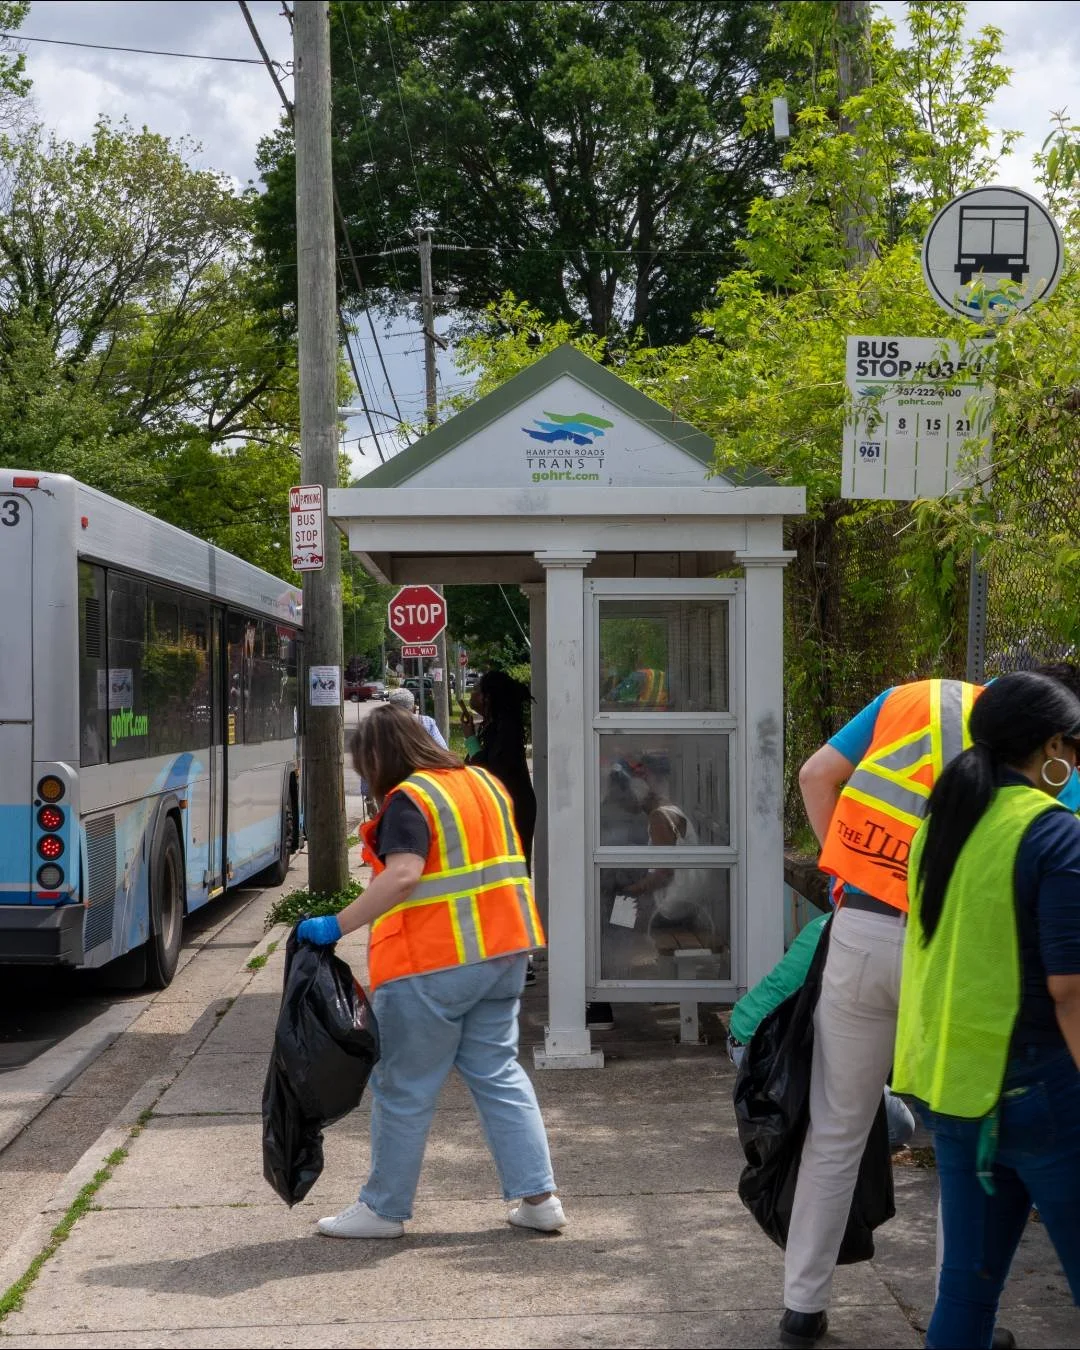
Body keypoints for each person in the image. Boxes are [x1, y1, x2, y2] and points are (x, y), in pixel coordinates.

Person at [295, 705, 563, 1238]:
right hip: (504, 954)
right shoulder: (482, 783)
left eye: (363, 763)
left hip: (433, 963)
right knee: (498, 1075)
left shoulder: (409, 800)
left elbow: (403, 875)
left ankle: (383, 1209)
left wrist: (336, 924)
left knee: (404, 1087)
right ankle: (539, 1199)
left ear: (377, 756)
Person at [779, 677, 983, 1349]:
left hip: (862, 929)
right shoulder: (1041, 746)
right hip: (954, 947)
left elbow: (815, 775)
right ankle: (965, 1315)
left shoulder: (910, 699)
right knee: (955, 1134)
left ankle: (802, 1306)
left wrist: (845, 868)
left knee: (836, 1126)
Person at [894, 672, 1080, 1350]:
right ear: (1054, 745)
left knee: (967, 1294)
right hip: (1048, 1094)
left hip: (960, 1093)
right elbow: (1071, 991)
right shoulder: (1056, 835)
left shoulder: (938, 829)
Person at [727, 912, 915, 1152]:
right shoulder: (863, 940)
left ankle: (811, 1115)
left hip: (747, 1033)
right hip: (770, 1050)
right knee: (898, 1127)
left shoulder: (831, 921)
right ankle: (807, 1123)